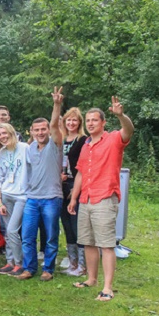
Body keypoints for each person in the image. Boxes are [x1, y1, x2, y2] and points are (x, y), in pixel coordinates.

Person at [69, 96, 134, 301]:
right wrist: (74, 199)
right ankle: (92, 279)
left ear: (103, 122)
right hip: (85, 199)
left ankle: (107, 288)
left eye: (94, 120)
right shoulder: (86, 145)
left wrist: (121, 115)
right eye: (88, 120)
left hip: (105, 197)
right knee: (88, 242)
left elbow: (129, 130)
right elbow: (80, 173)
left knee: (106, 244)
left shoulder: (113, 139)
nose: (90, 123)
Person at [16, 87, 65, 281]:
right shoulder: (30, 148)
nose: (40, 132)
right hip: (32, 199)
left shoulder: (55, 145)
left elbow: (54, 124)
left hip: (51, 198)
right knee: (27, 237)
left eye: (43, 129)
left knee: (51, 236)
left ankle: (48, 269)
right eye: (36, 130)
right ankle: (29, 268)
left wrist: (56, 104)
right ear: (32, 131)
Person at [0, 123, 30, 276]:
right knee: (8, 231)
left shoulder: (24, 148)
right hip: (6, 195)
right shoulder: (1, 153)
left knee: (12, 230)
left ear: (11, 132)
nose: (2, 137)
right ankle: (10, 262)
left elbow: (35, 166)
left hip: (21, 196)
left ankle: (19, 263)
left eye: (5, 133)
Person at [59, 107, 87, 277]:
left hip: (76, 184)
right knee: (67, 225)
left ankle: (83, 265)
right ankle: (72, 262)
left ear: (79, 122)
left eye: (74, 120)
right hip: (60, 185)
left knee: (77, 226)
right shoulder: (61, 140)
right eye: (68, 120)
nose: (71, 123)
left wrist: (75, 189)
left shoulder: (83, 140)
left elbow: (84, 167)